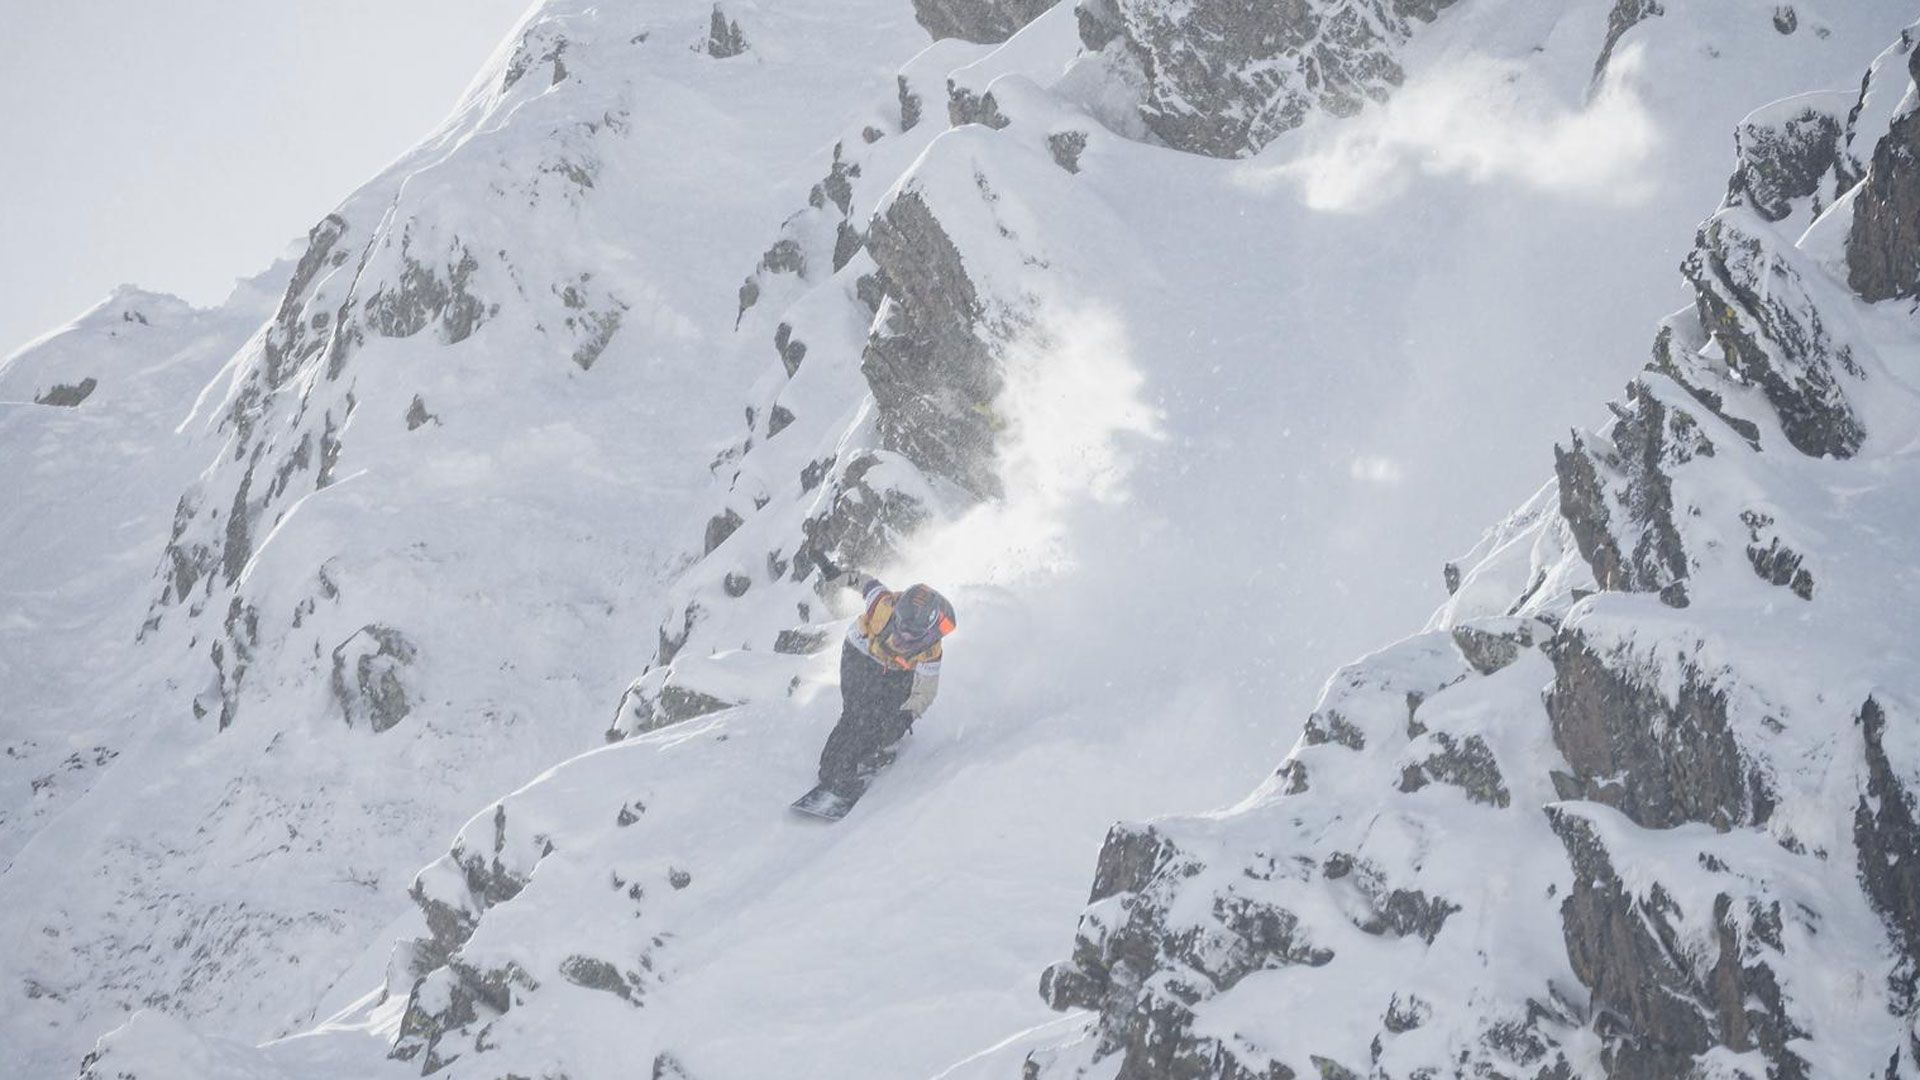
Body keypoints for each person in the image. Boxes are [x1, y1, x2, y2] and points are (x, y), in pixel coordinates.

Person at [812, 556, 956, 800]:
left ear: (926, 634)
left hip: (897, 670)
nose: (900, 639)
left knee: (889, 717)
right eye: (899, 629)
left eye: (910, 638)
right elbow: (864, 582)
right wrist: (837, 574)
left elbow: (926, 691)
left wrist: (906, 715)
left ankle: (875, 749)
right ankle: (834, 772)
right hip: (861, 654)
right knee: (858, 713)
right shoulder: (883, 606)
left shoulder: (931, 649)